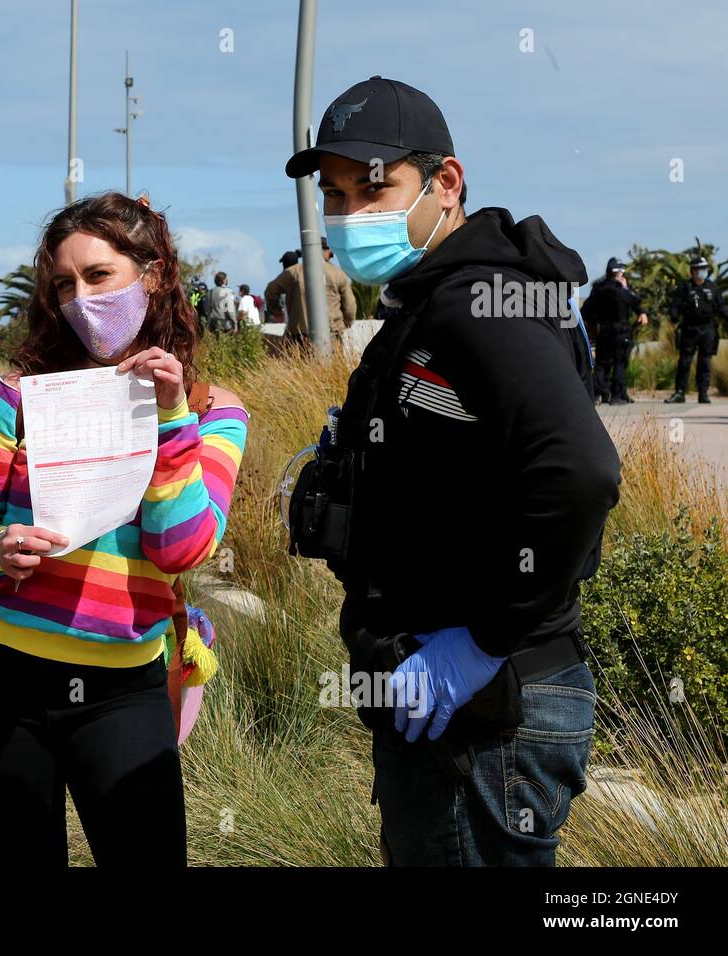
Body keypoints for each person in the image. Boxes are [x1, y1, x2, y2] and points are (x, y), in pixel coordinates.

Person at [285, 77, 620, 866]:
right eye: (333, 193)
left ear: (446, 183)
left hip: (487, 710)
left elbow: (580, 471)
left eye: (373, 187)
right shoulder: (436, 300)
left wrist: (479, 642)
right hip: (456, 705)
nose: (348, 214)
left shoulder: (474, 305)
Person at [0, 191, 249, 866]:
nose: (80, 298)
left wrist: (168, 417)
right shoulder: (20, 394)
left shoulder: (214, 412)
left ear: (155, 273)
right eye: (63, 284)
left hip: (121, 694)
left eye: (98, 276)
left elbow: (183, 547)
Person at [265, 238, 356, 348]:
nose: (330, 256)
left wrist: (277, 312)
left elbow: (270, 291)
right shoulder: (337, 273)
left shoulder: (293, 272)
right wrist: (345, 323)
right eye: (330, 253)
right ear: (324, 251)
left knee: (300, 364)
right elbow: (350, 305)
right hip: (332, 332)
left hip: (299, 335)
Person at [582, 257, 648, 405]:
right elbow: (635, 301)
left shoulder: (598, 288)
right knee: (619, 364)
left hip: (604, 332)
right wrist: (626, 289)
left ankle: (601, 393)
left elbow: (586, 310)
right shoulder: (621, 290)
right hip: (620, 333)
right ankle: (617, 396)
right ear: (618, 273)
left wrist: (590, 325)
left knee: (601, 365)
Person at [664, 256, 725, 404]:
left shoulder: (713, 287)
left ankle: (703, 393)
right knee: (684, 362)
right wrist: (674, 315)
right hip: (690, 329)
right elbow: (675, 305)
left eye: (704, 269)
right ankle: (680, 392)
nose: (701, 272)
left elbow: (721, 307)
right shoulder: (684, 287)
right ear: (692, 271)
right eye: (698, 269)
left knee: (705, 362)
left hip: (708, 329)